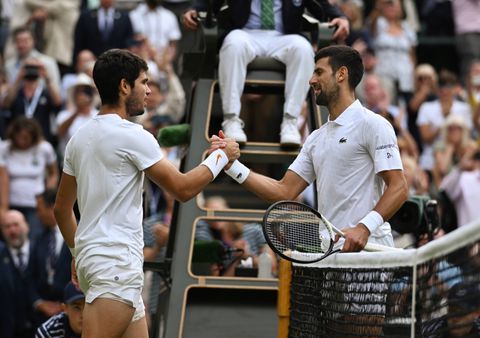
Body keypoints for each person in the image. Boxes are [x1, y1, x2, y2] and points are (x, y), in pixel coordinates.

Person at [53, 49, 239, 338]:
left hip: (100, 263)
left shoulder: (79, 138)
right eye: (143, 82)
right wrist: (221, 157)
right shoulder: (134, 135)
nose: (149, 90)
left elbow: (61, 210)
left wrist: (78, 254)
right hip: (115, 264)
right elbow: (183, 189)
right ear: (124, 86)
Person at [213, 45, 408, 252]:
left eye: (319, 72)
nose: (311, 80)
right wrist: (232, 165)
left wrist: (364, 228)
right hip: (331, 253)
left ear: (341, 74)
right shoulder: (315, 139)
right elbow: (283, 191)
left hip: (372, 252)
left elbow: (399, 187)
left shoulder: (374, 124)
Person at [182, 0, 349, 146]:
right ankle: (231, 119)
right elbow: (208, 2)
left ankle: (290, 121)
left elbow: (321, 4)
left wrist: (340, 17)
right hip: (245, 33)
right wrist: (195, 10)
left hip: (283, 36)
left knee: (303, 49)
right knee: (233, 43)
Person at [0, 117, 58, 238]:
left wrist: (47, 194)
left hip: (35, 204)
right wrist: (3, 209)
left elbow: (53, 173)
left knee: (35, 236)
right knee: (13, 236)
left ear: (33, 136)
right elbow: (3, 178)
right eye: (19, 137)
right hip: (12, 202)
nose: (22, 141)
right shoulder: (4, 148)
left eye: (26, 137)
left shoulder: (44, 148)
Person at [31, 189, 72, 327]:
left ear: (52, 208)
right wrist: (39, 303)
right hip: (44, 317)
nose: (37, 215)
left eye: (39, 209)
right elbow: (31, 275)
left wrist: (68, 305)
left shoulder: (80, 232)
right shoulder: (40, 239)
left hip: (73, 313)